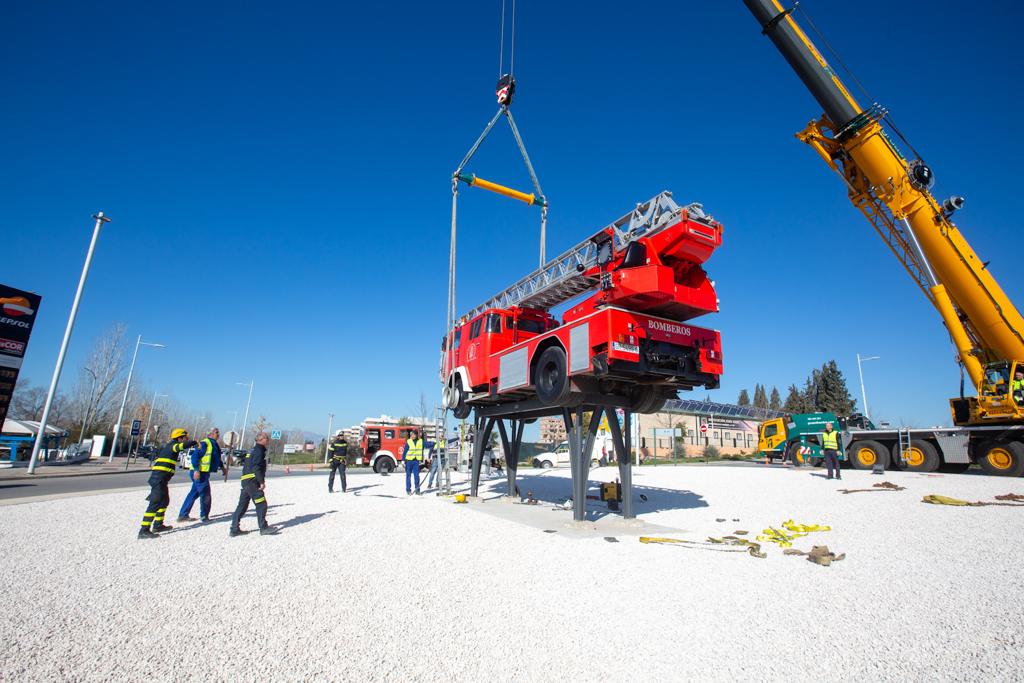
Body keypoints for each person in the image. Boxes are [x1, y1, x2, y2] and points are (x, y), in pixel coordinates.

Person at [138, 428, 193, 539]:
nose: (186, 439)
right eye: (185, 438)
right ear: (179, 438)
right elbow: (182, 446)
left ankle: (158, 525)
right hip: (158, 479)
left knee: (164, 501)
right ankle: (143, 530)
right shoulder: (173, 445)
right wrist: (194, 443)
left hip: (162, 480)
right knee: (155, 502)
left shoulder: (171, 446)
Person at [230, 431, 279, 536]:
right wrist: (261, 482)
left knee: (242, 506)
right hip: (252, 481)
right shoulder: (258, 451)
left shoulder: (252, 450)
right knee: (261, 504)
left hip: (246, 481)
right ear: (261, 440)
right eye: (266, 438)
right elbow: (256, 467)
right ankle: (263, 528)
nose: (268, 439)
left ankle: (234, 529)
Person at [177, 427, 226, 522]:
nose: (218, 434)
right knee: (206, 494)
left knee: (194, 493)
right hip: (199, 473)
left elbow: (216, 458)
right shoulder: (205, 443)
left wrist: (223, 468)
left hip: (203, 473)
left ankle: (183, 515)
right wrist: (196, 470)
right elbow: (195, 456)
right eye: (216, 432)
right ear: (210, 434)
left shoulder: (214, 444)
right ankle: (204, 516)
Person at [401, 429, 424, 496]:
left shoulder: (420, 441)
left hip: (416, 462)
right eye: (412, 435)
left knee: (416, 476)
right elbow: (405, 451)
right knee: (408, 476)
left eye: (414, 435)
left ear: (417, 435)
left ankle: (417, 490)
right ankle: (408, 490)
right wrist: (403, 460)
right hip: (408, 461)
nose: (413, 436)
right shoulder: (409, 441)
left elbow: (427, 444)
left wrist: (434, 443)